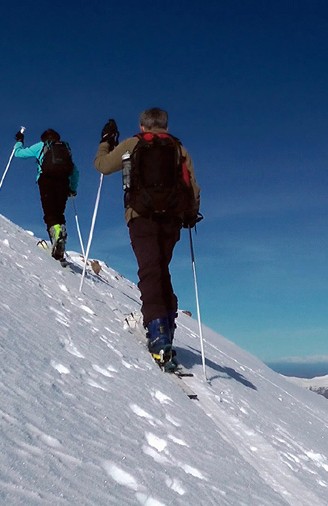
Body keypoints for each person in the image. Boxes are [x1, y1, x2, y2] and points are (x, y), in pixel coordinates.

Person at [94, 108, 201, 371]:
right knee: (161, 270)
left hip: (141, 215)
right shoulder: (178, 148)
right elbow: (192, 186)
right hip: (173, 219)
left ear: (143, 126)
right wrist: (189, 214)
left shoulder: (134, 144)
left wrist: (106, 141)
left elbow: (103, 166)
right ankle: (167, 326)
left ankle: (158, 334)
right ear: (165, 125)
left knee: (150, 271)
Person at [13, 128, 79, 262]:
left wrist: (19, 141)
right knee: (59, 214)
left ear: (44, 138)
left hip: (46, 180)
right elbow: (75, 171)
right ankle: (60, 241)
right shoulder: (66, 149)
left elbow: (19, 154)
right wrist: (72, 188)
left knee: (49, 212)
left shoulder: (42, 146)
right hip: (63, 183)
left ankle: (56, 236)